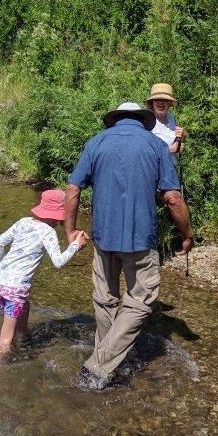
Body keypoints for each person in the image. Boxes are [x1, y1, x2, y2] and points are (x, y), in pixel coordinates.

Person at [64, 102, 193, 387]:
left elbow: (73, 190)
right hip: (140, 239)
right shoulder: (156, 145)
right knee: (141, 301)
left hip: (103, 238)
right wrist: (187, 234)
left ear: (116, 119)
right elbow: (172, 197)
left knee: (105, 298)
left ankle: (105, 362)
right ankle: (98, 368)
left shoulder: (96, 142)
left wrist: (70, 230)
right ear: (141, 119)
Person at [0, 189, 87, 358]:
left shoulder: (23, 222)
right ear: (58, 215)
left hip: (0, 280)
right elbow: (58, 262)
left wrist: (3, 266)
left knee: (24, 306)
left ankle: (25, 340)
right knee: (5, 341)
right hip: (15, 288)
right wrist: (76, 245)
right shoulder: (48, 232)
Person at [146, 82, 186, 159]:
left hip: (170, 167)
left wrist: (181, 137)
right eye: (157, 99)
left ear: (169, 103)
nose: (161, 102)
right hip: (155, 169)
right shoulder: (147, 120)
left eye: (165, 100)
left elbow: (173, 140)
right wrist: (169, 149)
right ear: (152, 102)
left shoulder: (170, 117)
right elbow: (143, 150)